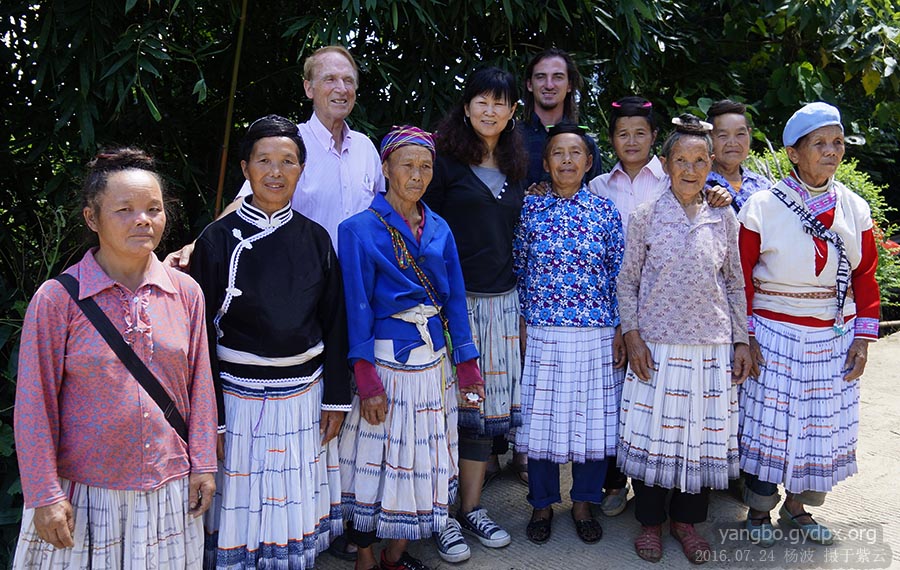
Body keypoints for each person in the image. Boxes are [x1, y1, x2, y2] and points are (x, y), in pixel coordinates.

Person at [13, 148, 218, 568]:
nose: (142, 219)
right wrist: (44, 494)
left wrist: (204, 464)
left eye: (153, 209)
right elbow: (35, 403)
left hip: (168, 488)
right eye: (124, 209)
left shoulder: (186, 293)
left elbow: (201, 385)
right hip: (85, 495)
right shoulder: (57, 300)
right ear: (92, 218)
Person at [190, 115, 350, 568]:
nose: (276, 172)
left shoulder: (317, 238)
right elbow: (198, 338)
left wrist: (336, 398)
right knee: (242, 501)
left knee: (289, 501)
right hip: (237, 403)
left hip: (303, 397)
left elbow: (335, 321)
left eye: (288, 162)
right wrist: (213, 419)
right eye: (264, 160)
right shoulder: (217, 240)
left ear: (302, 170)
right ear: (246, 168)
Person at [337, 126, 486, 570]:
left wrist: (468, 365)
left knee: (426, 456)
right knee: (373, 461)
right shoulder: (358, 230)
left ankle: (395, 556)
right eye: (407, 165)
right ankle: (365, 556)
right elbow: (356, 306)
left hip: (433, 362)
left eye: (425, 166)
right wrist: (365, 378)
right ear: (385, 169)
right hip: (386, 361)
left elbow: (454, 299)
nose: (417, 175)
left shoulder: (440, 227)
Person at [736, 102, 879, 548]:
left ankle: (798, 508)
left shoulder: (854, 208)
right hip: (773, 333)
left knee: (820, 426)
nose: (831, 151)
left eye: (837, 142)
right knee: (769, 423)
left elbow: (866, 275)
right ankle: (758, 509)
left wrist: (863, 339)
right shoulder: (761, 206)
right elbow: (740, 277)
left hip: (833, 335)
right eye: (819, 143)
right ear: (794, 153)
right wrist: (747, 338)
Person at [616, 115, 752, 564]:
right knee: (658, 438)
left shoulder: (723, 215)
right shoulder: (646, 215)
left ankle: (686, 523)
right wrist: (632, 336)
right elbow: (627, 281)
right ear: (666, 164)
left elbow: (733, 283)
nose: (690, 169)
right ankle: (651, 523)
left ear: (710, 163)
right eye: (681, 160)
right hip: (657, 347)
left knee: (698, 438)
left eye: (699, 160)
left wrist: (741, 341)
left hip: (711, 347)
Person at [422, 66, 526, 562]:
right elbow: (423, 234)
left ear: (511, 112)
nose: (490, 110)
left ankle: (472, 507)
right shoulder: (442, 164)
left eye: (500, 103)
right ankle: (439, 516)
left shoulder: (517, 166)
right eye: (481, 101)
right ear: (466, 108)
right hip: (451, 307)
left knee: (483, 416)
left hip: (502, 303)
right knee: (445, 412)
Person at [167, 45, 384, 269]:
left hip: (361, 281)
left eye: (348, 81)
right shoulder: (288, 144)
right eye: (330, 79)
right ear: (309, 88)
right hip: (304, 277)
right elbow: (246, 202)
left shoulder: (365, 148)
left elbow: (385, 214)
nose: (341, 88)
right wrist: (200, 245)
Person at [513, 124, 626, 545]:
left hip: (596, 331)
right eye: (557, 153)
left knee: (591, 425)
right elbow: (519, 268)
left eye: (574, 153)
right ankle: (541, 503)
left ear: (588, 162)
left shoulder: (604, 212)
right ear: (545, 163)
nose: (566, 160)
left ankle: (582, 502)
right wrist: (522, 323)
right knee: (541, 427)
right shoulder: (530, 208)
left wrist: (619, 327)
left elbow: (619, 273)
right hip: (542, 328)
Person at [519, 48, 602, 185]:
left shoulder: (585, 144)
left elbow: (595, 198)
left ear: (569, 85)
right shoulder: (510, 138)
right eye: (541, 77)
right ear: (529, 84)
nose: (549, 85)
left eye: (558, 77)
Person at [705, 99, 772, 212]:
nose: (733, 143)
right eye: (723, 135)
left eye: (740, 134)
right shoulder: (698, 184)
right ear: (709, 138)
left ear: (749, 134)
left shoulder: (763, 186)